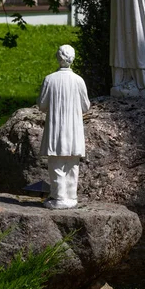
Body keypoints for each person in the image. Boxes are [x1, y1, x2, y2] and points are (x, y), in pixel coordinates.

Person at [38, 45, 90, 209]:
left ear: (58, 58)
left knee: (56, 164)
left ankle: (59, 197)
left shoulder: (50, 79)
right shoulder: (78, 80)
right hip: (73, 129)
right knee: (72, 164)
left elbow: (41, 105)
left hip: (56, 128)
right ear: (72, 59)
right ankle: (71, 196)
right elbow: (86, 106)